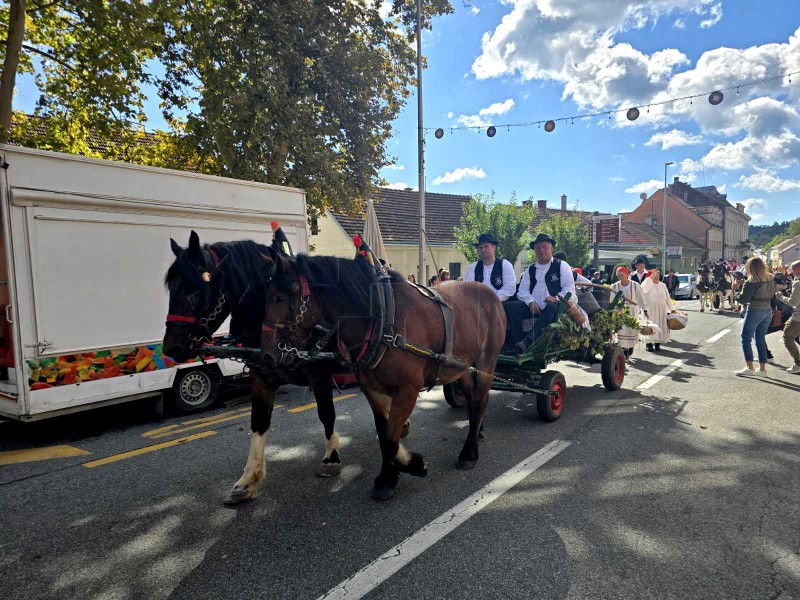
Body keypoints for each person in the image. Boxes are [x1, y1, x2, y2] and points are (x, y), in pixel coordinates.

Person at [516, 233, 576, 349]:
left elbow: (569, 288)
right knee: (511, 307)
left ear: (551, 248)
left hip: (555, 307)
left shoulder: (561, 266)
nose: (541, 250)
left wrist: (557, 298)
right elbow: (522, 291)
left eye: (544, 247)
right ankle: (514, 341)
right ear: (535, 250)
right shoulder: (530, 269)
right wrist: (530, 302)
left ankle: (527, 341)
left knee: (551, 308)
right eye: (538, 248)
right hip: (533, 307)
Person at [736, 256, 777, 377]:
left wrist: (737, 290)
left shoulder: (751, 282)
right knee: (760, 339)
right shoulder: (771, 278)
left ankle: (750, 367)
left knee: (746, 338)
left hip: (755, 310)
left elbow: (743, 299)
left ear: (750, 268)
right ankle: (762, 369)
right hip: (767, 310)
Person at [464, 233, 517, 301]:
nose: (483, 250)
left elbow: (510, 288)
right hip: (478, 304)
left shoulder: (505, 265)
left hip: (501, 304)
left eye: (486, 246)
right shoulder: (473, 267)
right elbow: (468, 288)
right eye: (481, 248)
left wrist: (492, 300)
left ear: (494, 247)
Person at [611, 266, 648, 357]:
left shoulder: (635, 285)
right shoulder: (614, 286)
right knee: (621, 330)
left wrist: (645, 310)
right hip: (619, 312)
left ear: (627, 275)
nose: (620, 277)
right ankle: (624, 351)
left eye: (622, 275)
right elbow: (611, 300)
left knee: (631, 329)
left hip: (632, 310)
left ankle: (630, 349)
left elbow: (641, 298)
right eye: (618, 275)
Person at [641, 269, 676, 351]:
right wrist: (649, 279)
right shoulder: (646, 284)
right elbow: (644, 290)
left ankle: (657, 343)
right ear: (650, 276)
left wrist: (672, 309)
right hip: (650, 309)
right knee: (650, 326)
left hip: (662, 309)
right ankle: (649, 344)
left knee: (660, 325)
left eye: (657, 274)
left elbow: (667, 297)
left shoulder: (663, 285)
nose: (657, 276)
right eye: (654, 275)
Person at [776, 259, 800, 374]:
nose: (791, 271)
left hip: (798, 317)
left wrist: (781, 296)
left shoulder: (798, 282)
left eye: (793, 268)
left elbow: (793, 302)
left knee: (787, 337)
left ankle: (798, 363)